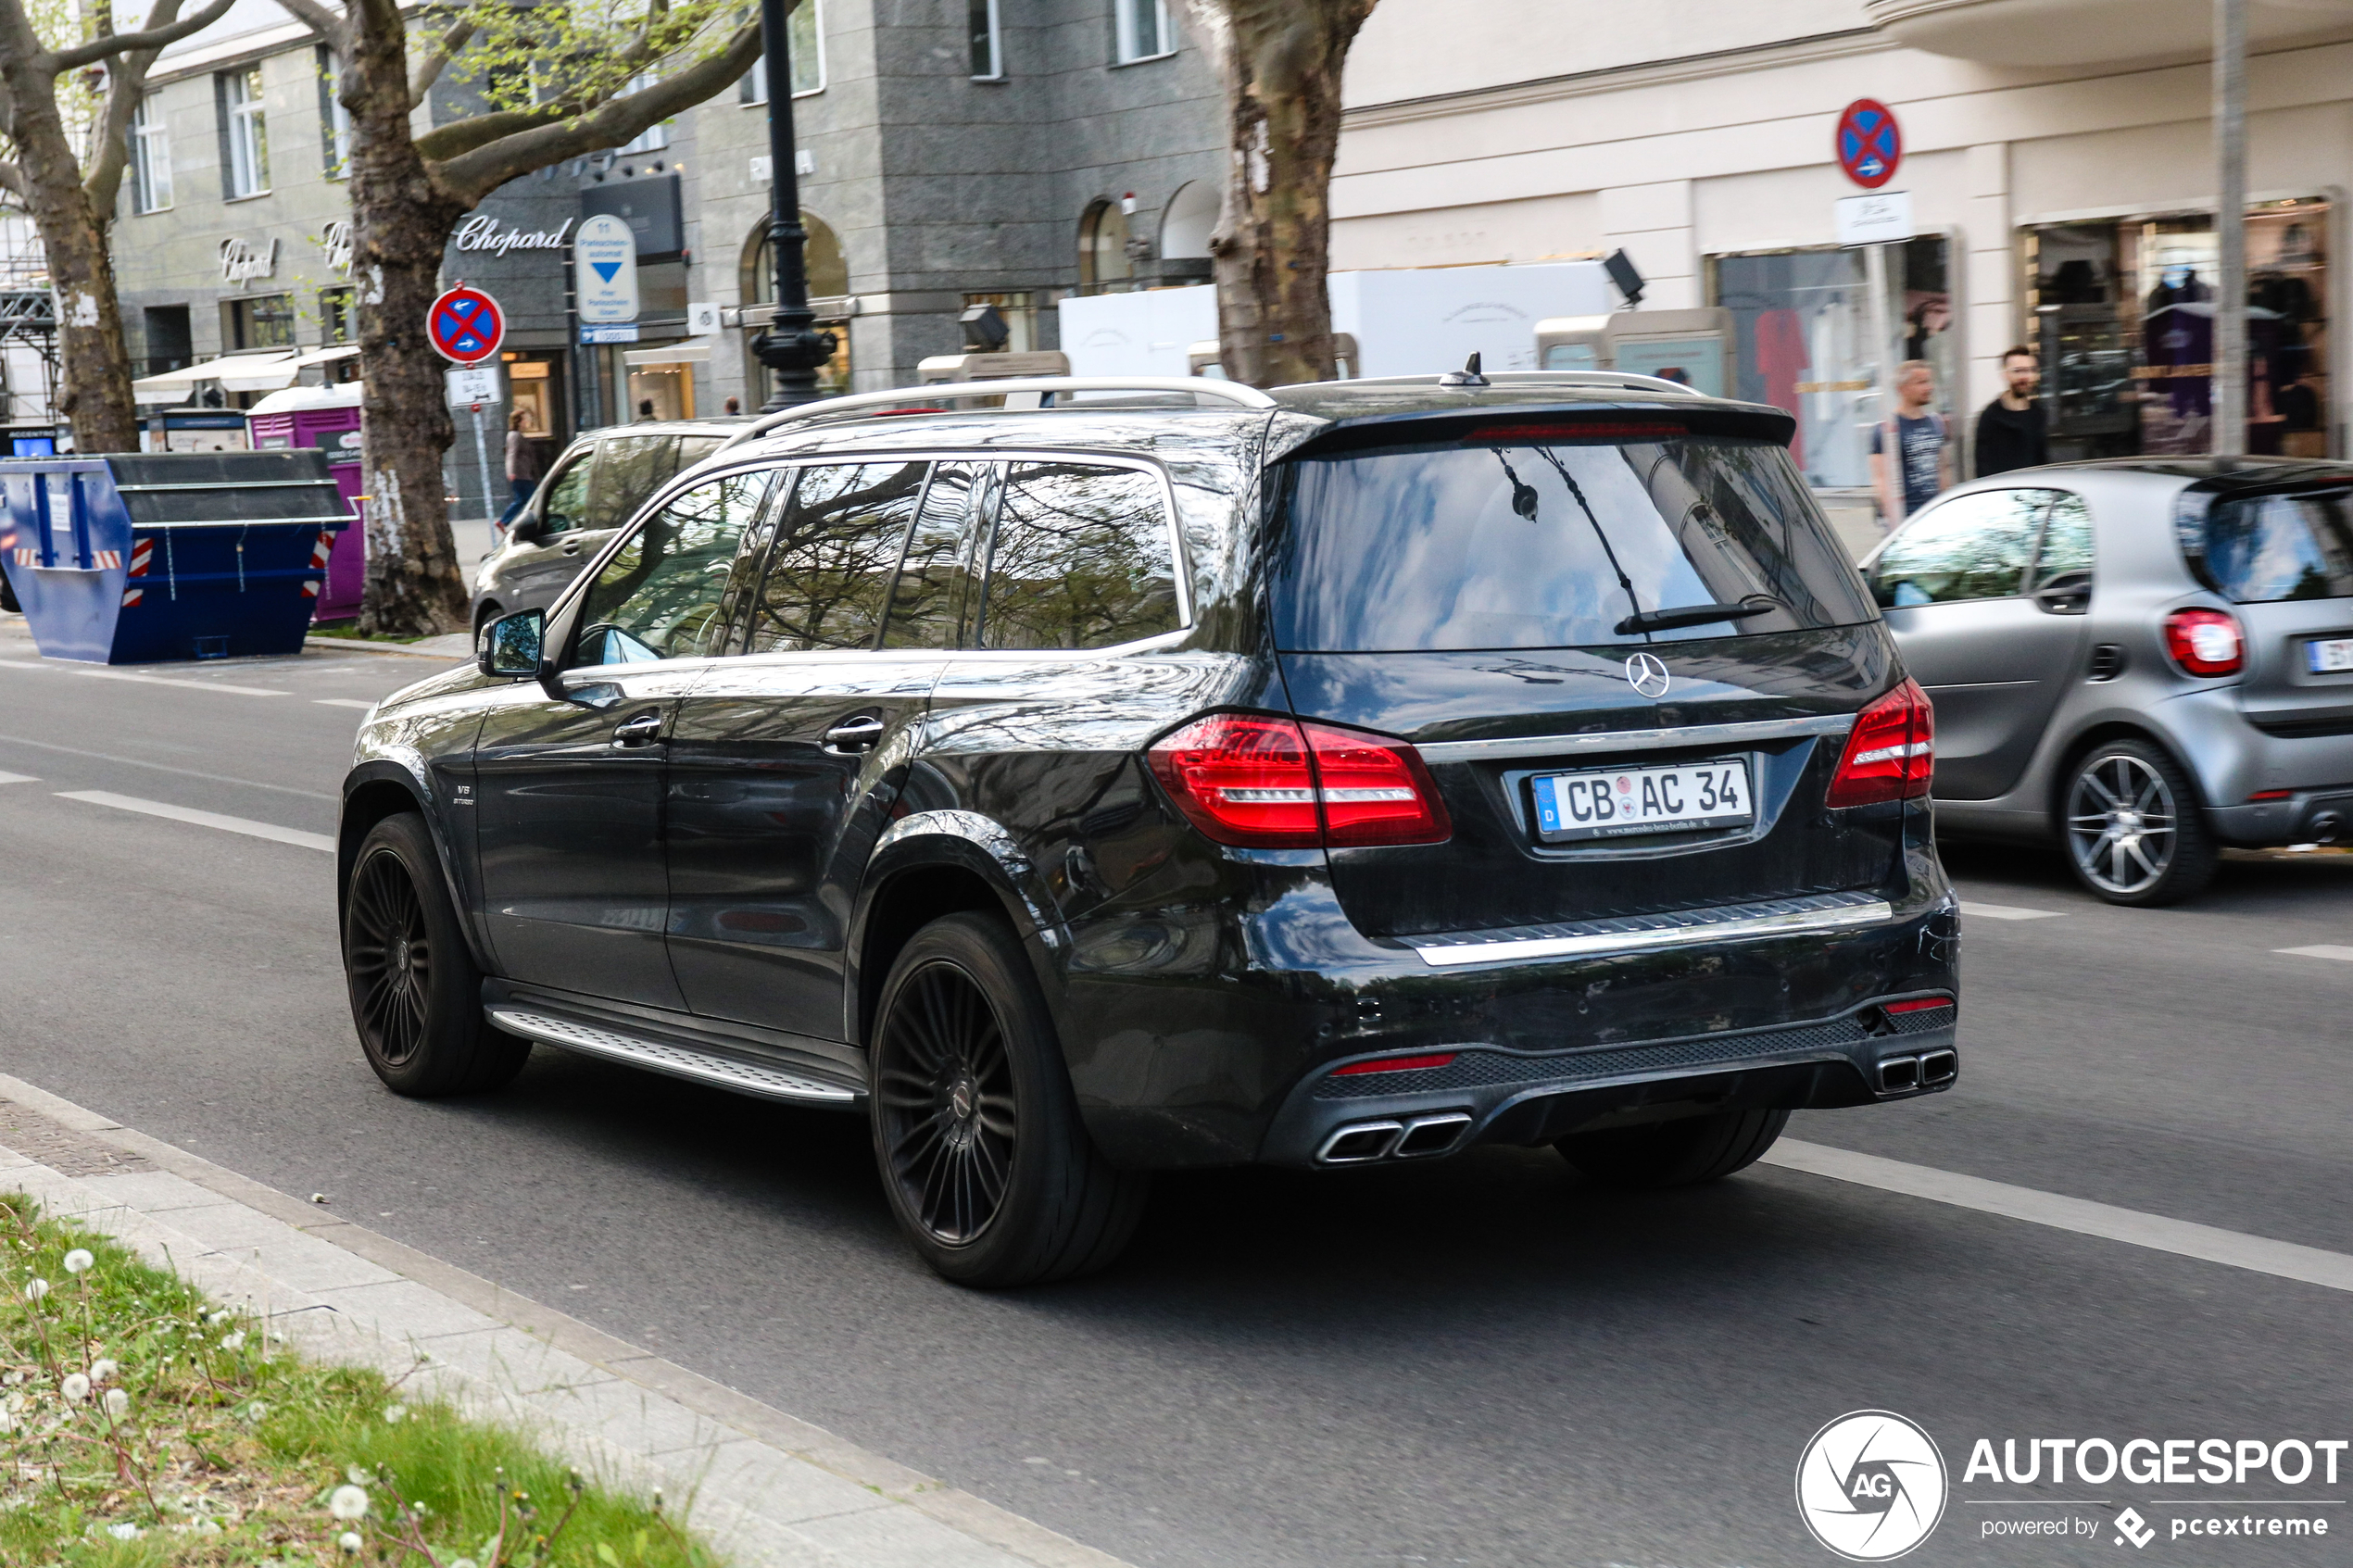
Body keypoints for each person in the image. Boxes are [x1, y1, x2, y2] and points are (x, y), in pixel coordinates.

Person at [1870, 359, 1954, 529]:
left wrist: (1947, 507)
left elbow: (1942, 470)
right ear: (1902, 389)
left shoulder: (1936, 422)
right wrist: (1893, 519)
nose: (1929, 387)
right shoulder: (1887, 429)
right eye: (1921, 382)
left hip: (1935, 513)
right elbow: (1881, 479)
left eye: (1929, 381)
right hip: (1906, 517)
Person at [1973, 345, 2048, 477]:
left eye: (2030, 370)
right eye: (2018, 371)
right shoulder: (1990, 417)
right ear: (2005, 374)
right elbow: (1983, 469)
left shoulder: (2039, 413)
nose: (2025, 377)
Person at [497, 411, 543, 532]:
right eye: (524, 419)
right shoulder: (514, 435)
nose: (526, 422)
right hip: (520, 474)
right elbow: (511, 454)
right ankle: (528, 525)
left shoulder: (517, 435)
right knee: (532, 499)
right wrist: (511, 471)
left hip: (524, 473)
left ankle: (504, 521)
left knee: (522, 500)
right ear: (518, 421)